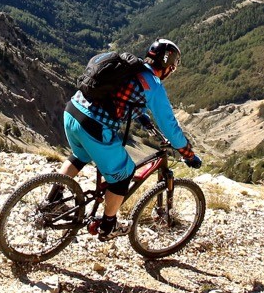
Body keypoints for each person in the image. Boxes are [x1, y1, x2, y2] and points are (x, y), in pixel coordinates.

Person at [53, 38, 201, 241]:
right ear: (168, 67)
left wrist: (144, 119)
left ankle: (53, 199)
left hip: (72, 112)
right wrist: (187, 152)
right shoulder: (154, 85)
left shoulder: (129, 68)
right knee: (124, 175)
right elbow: (170, 126)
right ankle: (108, 226)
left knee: (80, 156)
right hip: (93, 126)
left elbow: (123, 97)